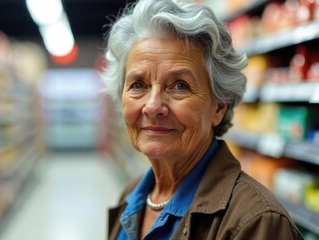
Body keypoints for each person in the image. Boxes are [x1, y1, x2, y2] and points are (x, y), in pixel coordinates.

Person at [101, 0, 303, 239]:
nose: (153, 106)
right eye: (138, 85)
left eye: (179, 85)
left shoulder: (257, 222)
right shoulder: (132, 194)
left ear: (218, 106)